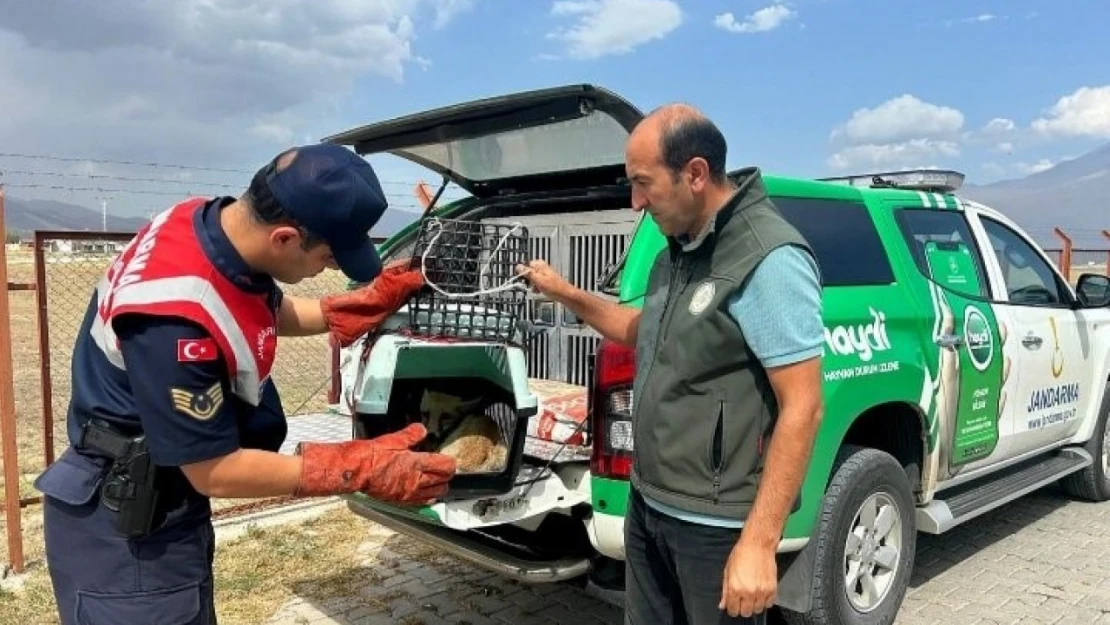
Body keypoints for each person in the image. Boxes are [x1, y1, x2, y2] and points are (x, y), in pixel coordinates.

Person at [32, 143, 458, 625]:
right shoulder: (174, 321)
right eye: (328, 256)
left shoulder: (202, 223)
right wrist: (355, 468)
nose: (333, 268)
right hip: (129, 532)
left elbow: (263, 309)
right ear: (283, 238)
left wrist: (362, 304)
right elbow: (213, 471)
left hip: (160, 502)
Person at [517, 105, 825, 624]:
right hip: (650, 503)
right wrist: (564, 292)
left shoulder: (767, 258)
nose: (635, 201)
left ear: (696, 174)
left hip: (718, 527)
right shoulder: (676, 253)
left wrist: (759, 543)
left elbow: (804, 406)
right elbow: (643, 332)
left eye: (643, 183)